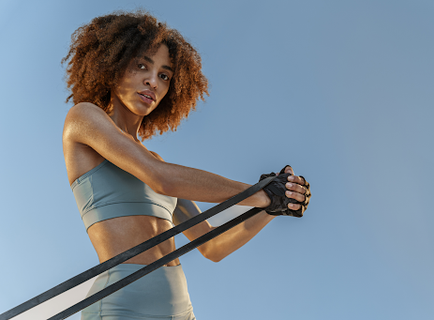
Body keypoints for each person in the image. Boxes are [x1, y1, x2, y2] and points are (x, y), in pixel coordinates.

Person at [62, 10, 311, 320]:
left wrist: (273, 206)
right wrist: (259, 192)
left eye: (164, 75)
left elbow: (213, 246)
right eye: (142, 65)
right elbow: (159, 179)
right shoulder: (84, 118)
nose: (152, 81)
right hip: (123, 309)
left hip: (182, 311)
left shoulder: (158, 162)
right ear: (113, 65)